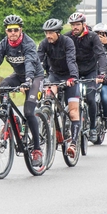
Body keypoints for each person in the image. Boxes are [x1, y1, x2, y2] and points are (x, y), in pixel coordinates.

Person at [0, 15, 45, 166]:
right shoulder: (3, 45)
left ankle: (37, 150)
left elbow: (30, 64)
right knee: (3, 86)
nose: (12, 33)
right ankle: (11, 120)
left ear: (21, 30)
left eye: (15, 30)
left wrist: (28, 81)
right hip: (19, 76)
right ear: (6, 31)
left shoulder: (28, 44)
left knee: (28, 111)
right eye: (9, 30)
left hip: (35, 77)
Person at [37, 18, 80, 155]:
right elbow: (38, 61)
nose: (48, 36)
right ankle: (49, 120)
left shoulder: (68, 42)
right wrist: (36, 77)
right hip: (54, 75)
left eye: (50, 33)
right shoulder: (44, 43)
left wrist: (73, 77)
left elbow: (71, 60)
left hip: (69, 76)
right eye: (46, 33)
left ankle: (73, 143)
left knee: (73, 111)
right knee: (47, 97)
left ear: (58, 32)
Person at [65, 12, 107, 143]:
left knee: (90, 98)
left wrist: (102, 73)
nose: (75, 27)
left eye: (77, 24)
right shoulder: (67, 37)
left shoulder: (92, 37)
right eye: (72, 25)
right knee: (69, 99)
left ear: (84, 24)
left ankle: (93, 127)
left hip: (90, 72)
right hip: (74, 72)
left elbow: (101, 55)